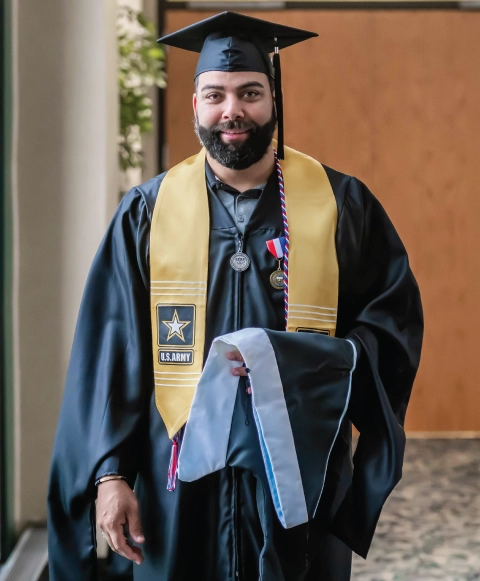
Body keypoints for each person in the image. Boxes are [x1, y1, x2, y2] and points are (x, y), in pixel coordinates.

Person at [47, 12, 423, 581]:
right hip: (176, 480)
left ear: (274, 100)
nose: (233, 111)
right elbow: (109, 354)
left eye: (250, 93)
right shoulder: (147, 213)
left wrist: (313, 363)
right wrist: (110, 476)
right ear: (195, 103)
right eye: (215, 94)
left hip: (296, 474)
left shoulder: (340, 204)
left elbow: (391, 322)